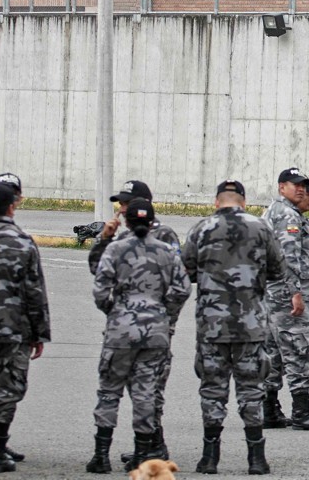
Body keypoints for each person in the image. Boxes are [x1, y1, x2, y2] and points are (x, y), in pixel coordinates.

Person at [181, 180, 284, 475]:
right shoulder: (261, 228)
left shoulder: (201, 228)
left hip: (212, 325)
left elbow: (185, 269)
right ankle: (256, 459)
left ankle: (210, 458)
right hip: (251, 324)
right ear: (244, 201)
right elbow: (279, 269)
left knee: (212, 390)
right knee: (252, 390)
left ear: (217, 202)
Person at [86, 199, 191, 474]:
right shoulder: (166, 251)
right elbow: (182, 287)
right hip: (155, 330)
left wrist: (115, 310)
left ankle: (100, 455)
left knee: (109, 390)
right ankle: (143, 456)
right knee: (145, 392)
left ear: (128, 221)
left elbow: (100, 288)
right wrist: (161, 311)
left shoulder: (116, 248)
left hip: (120, 328)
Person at [0, 182, 49, 475]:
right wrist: (39, 333)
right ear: (11, 206)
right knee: (6, 390)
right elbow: (34, 292)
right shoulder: (22, 241)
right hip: (10, 331)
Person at [261, 167, 309, 431]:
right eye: (295, 185)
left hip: (273, 293)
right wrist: (295, 293)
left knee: (275, 353)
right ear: (282, 187)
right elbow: (287, 257)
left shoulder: (275, 211)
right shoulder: (287, 214)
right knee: (298, 351)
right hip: (285, 296)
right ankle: (302, 411)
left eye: (303, 185)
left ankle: (268, 409)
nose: (302, 190)